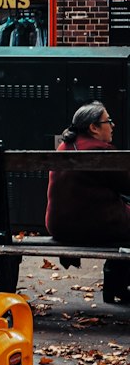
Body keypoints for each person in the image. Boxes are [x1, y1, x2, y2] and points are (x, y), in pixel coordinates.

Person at [44, 102, 130, 303]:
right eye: (108, 121)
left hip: (58, 227)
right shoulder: (101, 151)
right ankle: (116, 281)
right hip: (93, 225)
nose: (113, 125)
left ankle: (115, 281)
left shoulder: (64, 147)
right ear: (93, 127)